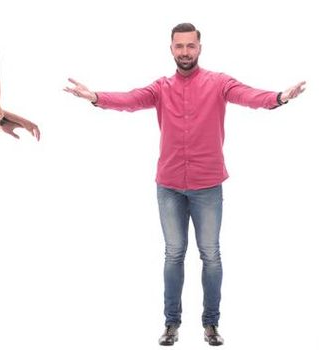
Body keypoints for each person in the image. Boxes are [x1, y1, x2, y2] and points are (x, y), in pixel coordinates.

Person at [61, 22, 306, 346]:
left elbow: (249, 96)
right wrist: (95, 97)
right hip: (170, 185)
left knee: (211, 255)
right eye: (179, 46)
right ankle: (171, 323)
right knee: (174, 254)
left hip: (208, 185)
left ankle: (211, 325)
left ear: (200, 48)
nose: (185, 52)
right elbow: (131, 99)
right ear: (171, 49)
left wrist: (278, 97)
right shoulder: (161, 87)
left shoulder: (218, 83)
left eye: (191, 46)